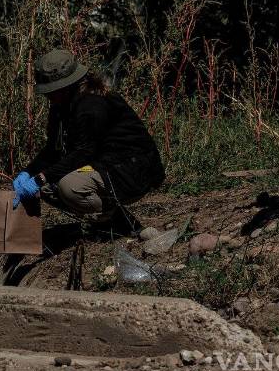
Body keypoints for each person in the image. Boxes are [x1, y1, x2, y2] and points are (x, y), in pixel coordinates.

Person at [10, 49, 164, 237]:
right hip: (102, 165)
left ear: (66, 87)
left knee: (69, 185)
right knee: (47, 187)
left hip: (130, 168)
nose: (47, 97)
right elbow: (53, 149)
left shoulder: (92, 105)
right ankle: (106, 219)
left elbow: (84, 153)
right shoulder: (61, 107)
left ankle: (118, 221)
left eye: (52, 91)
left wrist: (41, 177)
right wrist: (29, 171)